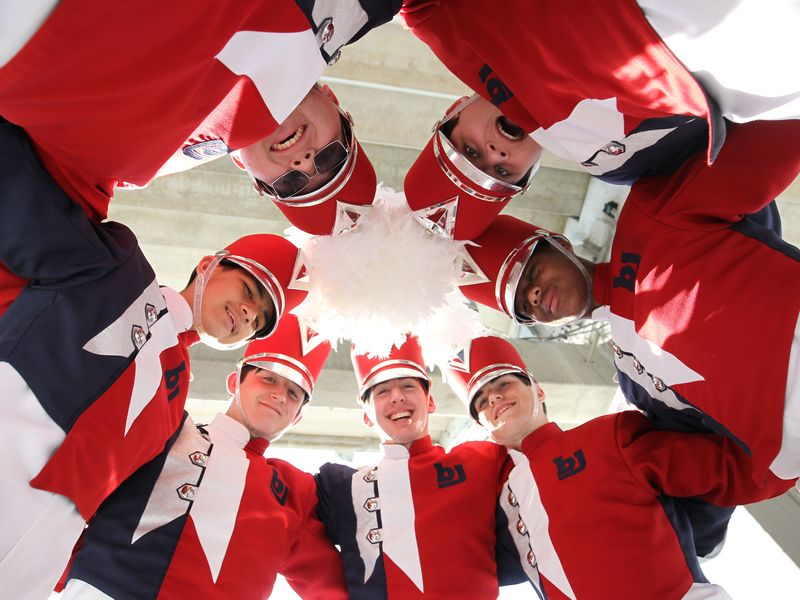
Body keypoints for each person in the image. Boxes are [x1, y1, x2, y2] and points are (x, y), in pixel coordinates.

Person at [0, 119, 308, 598]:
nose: (248, 313)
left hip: (47, 543)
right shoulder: (120, 267)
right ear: (209, 264)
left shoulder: (177, 402)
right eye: (248, 290)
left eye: (259, 320)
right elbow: (19, 197)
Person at [458, 119, 800, 491]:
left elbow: (771, 144)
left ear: (559, 243)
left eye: (531, 272)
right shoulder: (635, 383)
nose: (536, 295)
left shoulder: (651, 216)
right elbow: (711, 462)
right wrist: (777, 471)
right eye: (524, 304)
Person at [0, 0, 398, 313]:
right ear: (334, 102)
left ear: (244, 168)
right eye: (330, 159)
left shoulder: (135, 166)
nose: (303, 164)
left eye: (293, 185)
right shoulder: (360, 8)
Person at [401, 0, 799, 239]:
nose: (494, 152)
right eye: (503, 171)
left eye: (468, 151)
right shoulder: (619, 164)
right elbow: (733, 195)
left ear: (453, 111)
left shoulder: (445, 21)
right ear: (530, 173)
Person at [445, 334, 796, 600]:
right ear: (482, 425)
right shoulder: (500, 507)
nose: (493, 398)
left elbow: (724, 468)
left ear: (537, 389)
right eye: (481, 401)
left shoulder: (609, 435)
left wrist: (787, 449)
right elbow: (455, 569)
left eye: (503, 383)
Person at [58, 313, 348, 599]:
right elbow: (75, 486)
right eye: (269, 379)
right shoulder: (167, 427)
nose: (280, 396)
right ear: (234, 382)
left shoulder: (293, 493)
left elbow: (337, 586)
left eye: (294, 393)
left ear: (296, 418)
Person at [314, 335, 528, 599]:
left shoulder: (484, 460)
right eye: (381, 391)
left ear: (430, 401)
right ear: (367, 415)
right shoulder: (337, 487)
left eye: (407, 386)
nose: (396, 397)